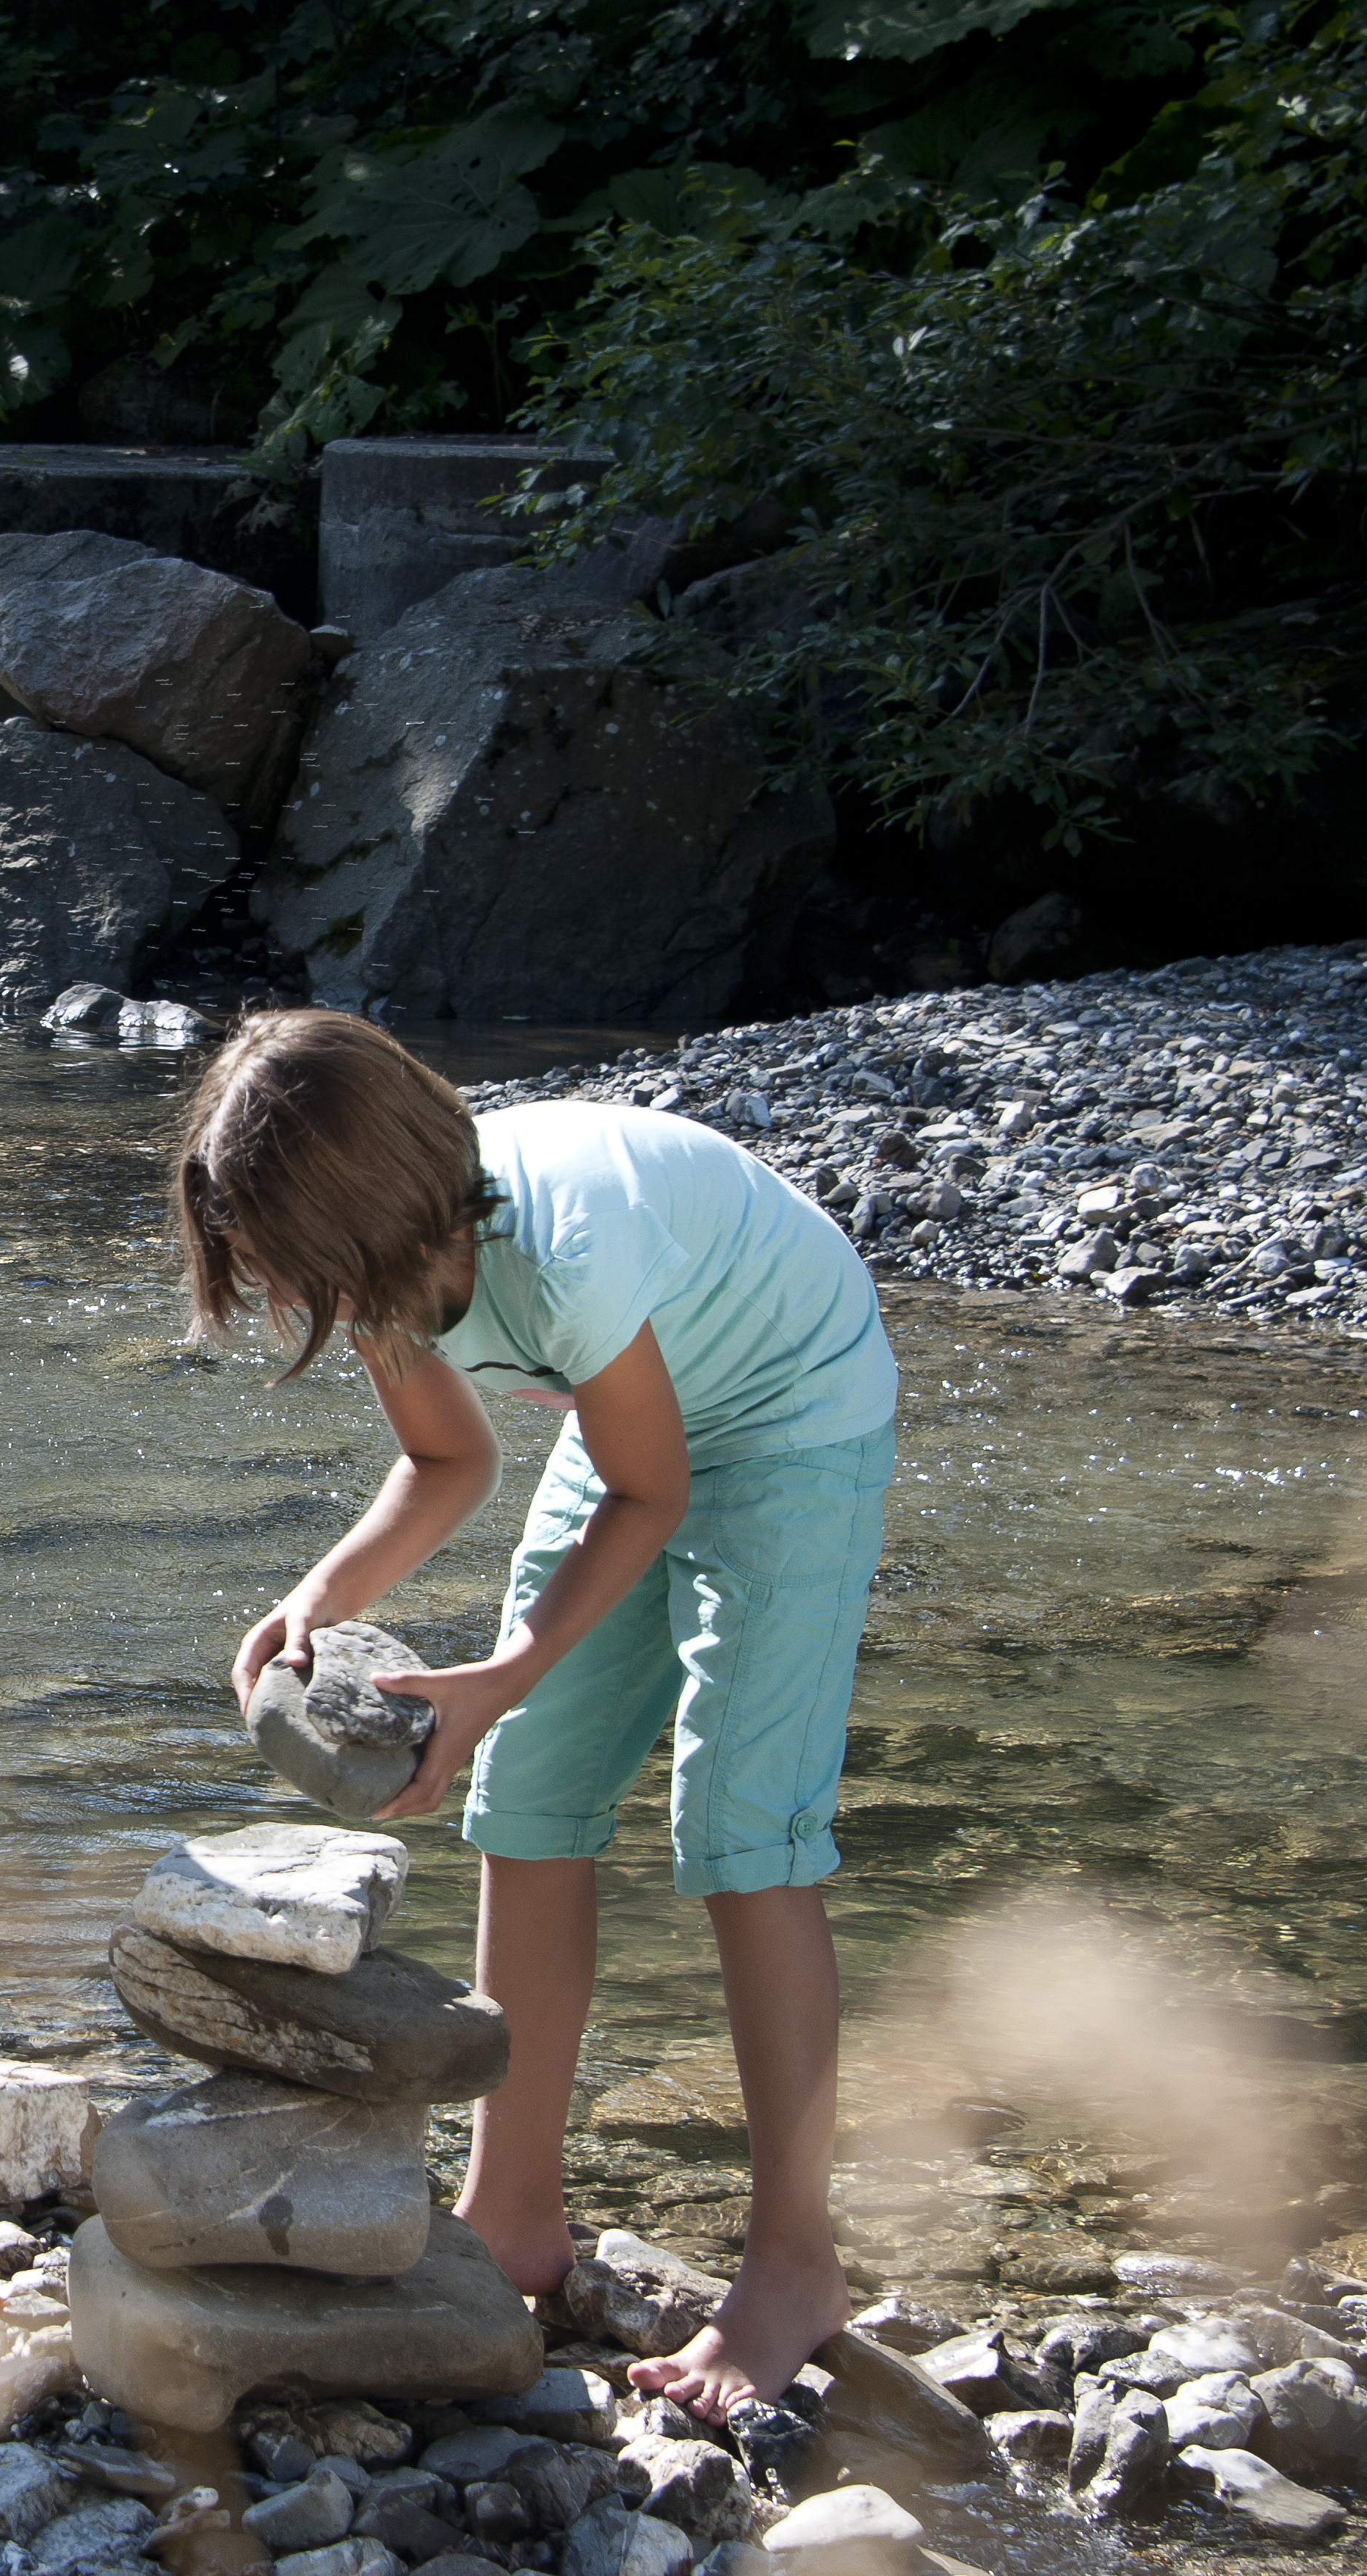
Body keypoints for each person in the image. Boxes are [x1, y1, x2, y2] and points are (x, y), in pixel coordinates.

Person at [177, 1009, 896, 2417]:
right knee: (527, 1796)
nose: (269, 1289)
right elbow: (446, 1458)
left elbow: (657, 1494)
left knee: (741, 1828)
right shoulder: (386, 1269)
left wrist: (504, 1670)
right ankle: (510, 2209)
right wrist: (316, 1598)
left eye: (273, 1263)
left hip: (788, 1403)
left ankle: (792, 2267)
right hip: (631, 1420)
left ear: (359, 1219)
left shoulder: (560, 1251)